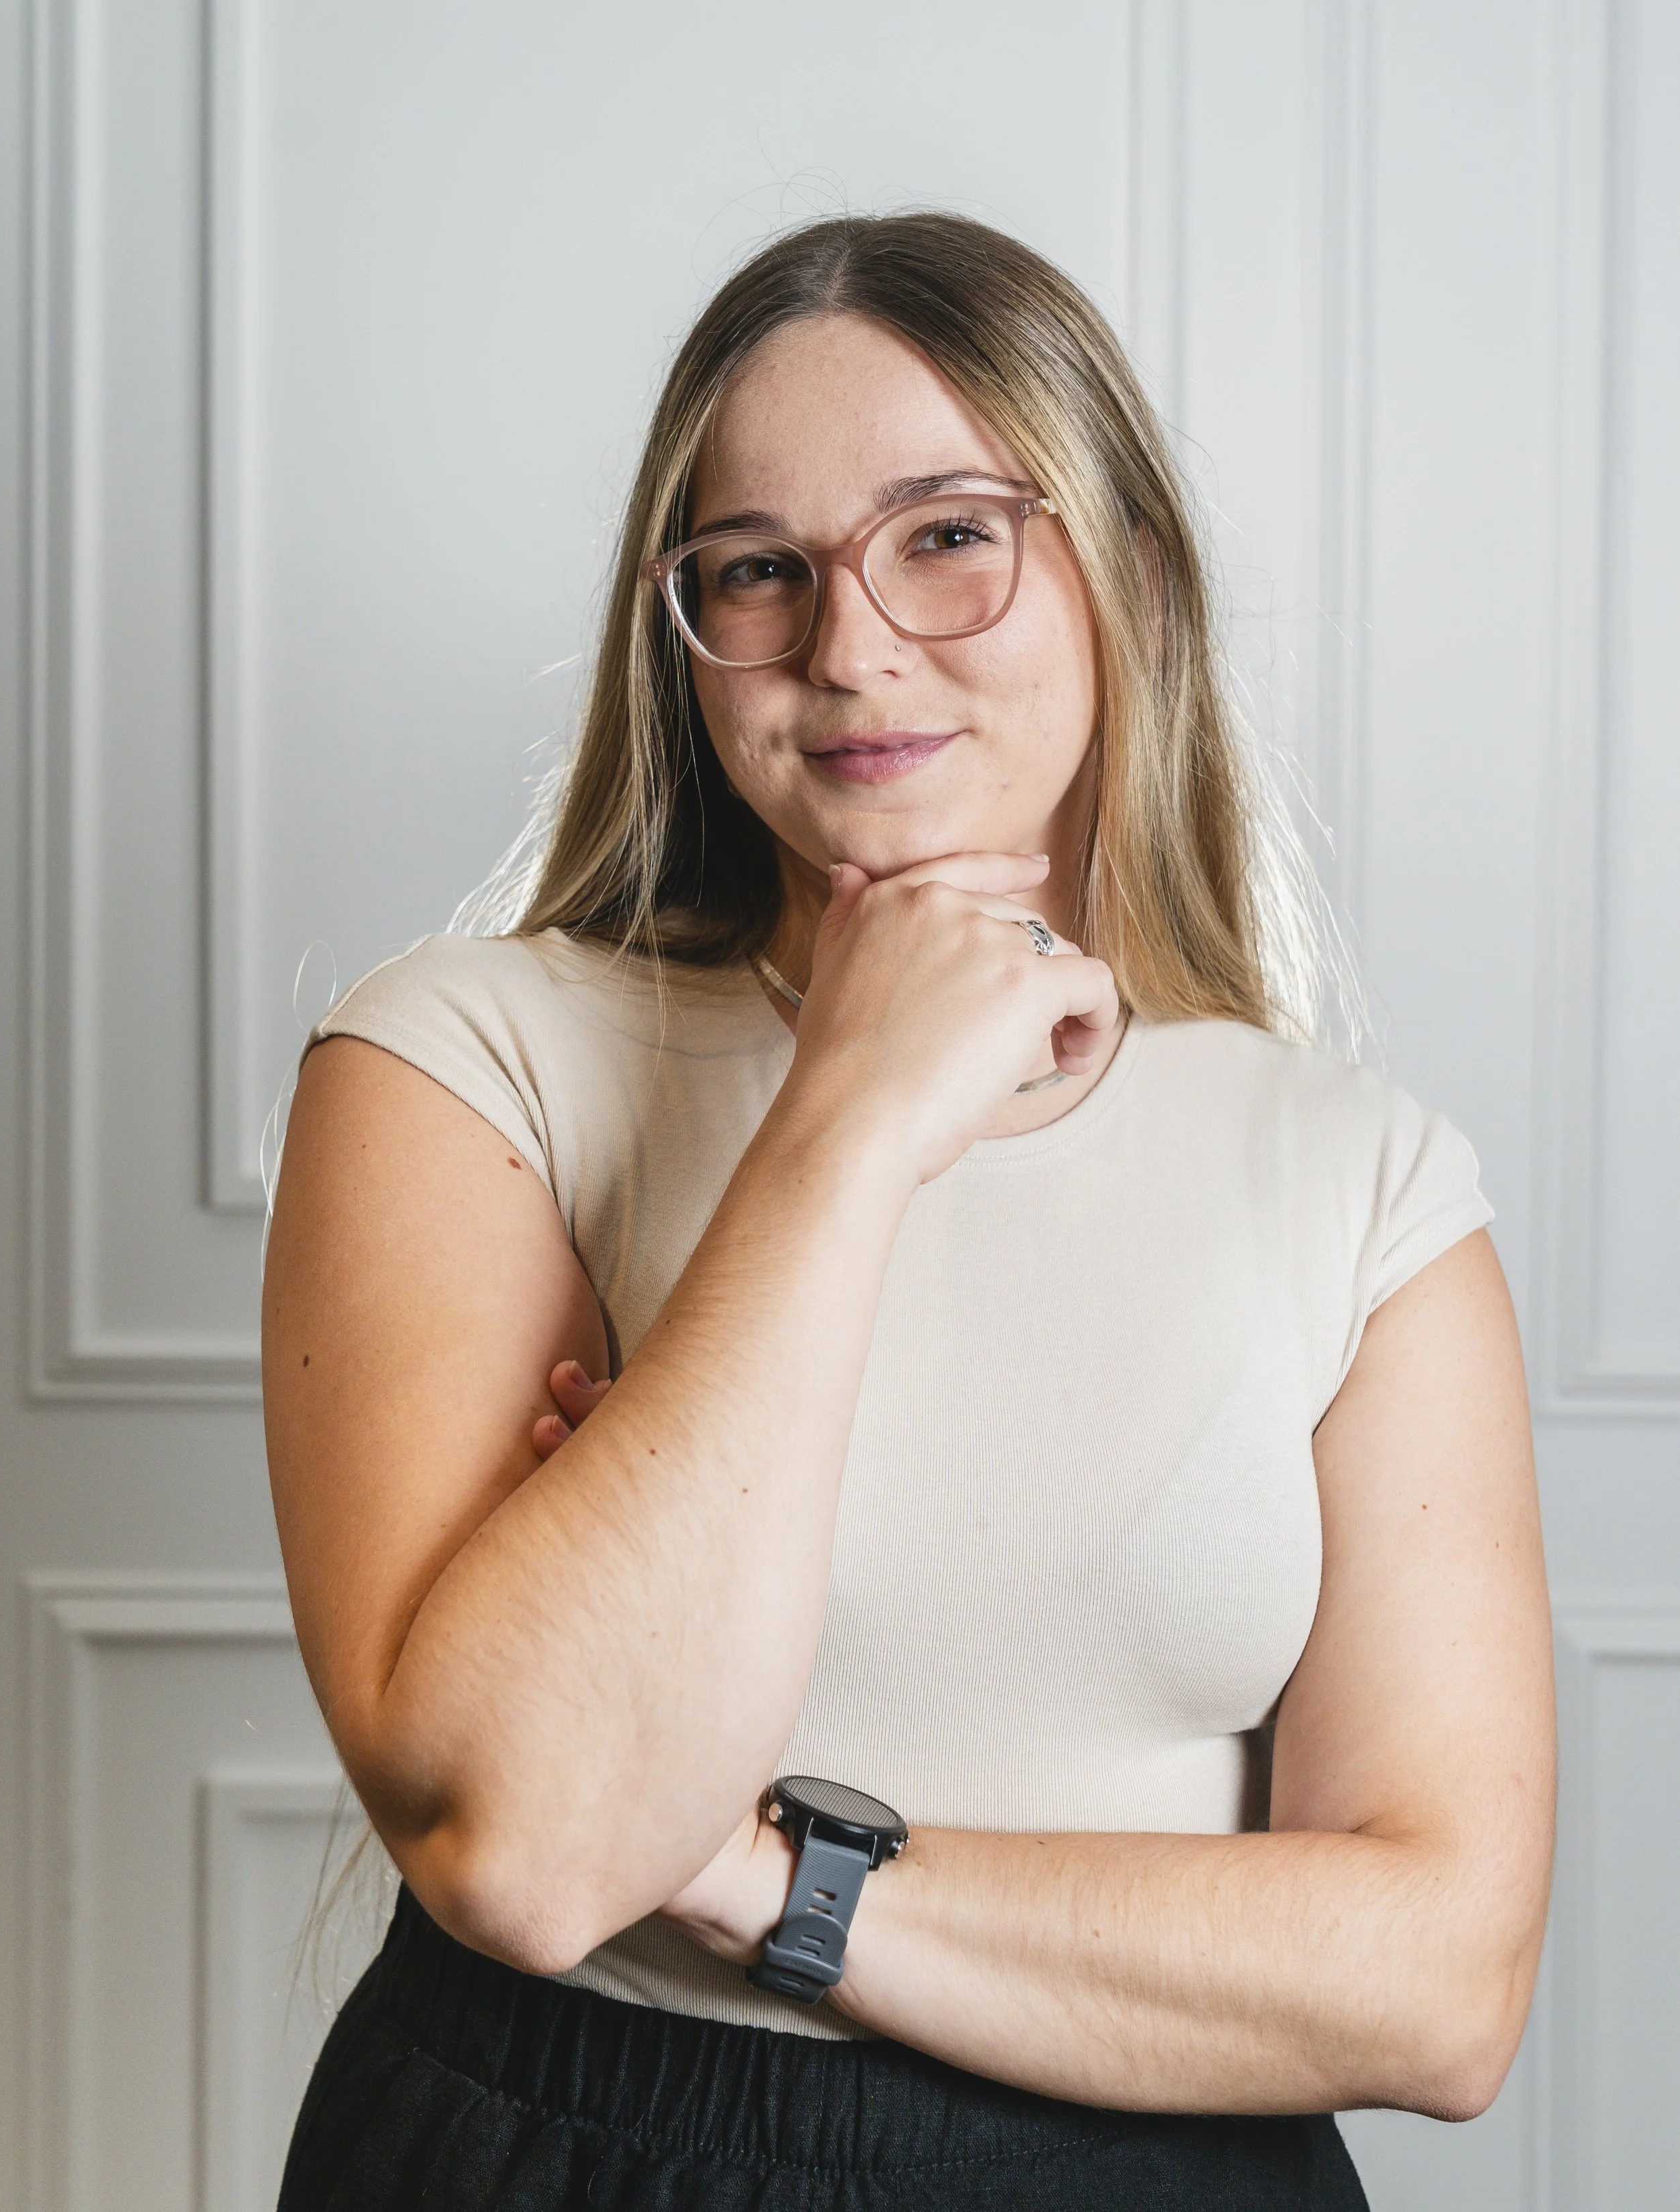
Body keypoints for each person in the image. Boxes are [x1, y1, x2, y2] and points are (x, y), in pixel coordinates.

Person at [263, 213, 1554, 2212]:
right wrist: (849, 1119)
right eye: (755, 568)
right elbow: (524, 1848)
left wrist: (747, 1870)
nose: (851, 647)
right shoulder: (462, 1063)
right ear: (682, 639)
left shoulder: (1366, 1183)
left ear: (1130, 576)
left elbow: (1439, 1987)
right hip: (562, 2154)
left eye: (948, 534)